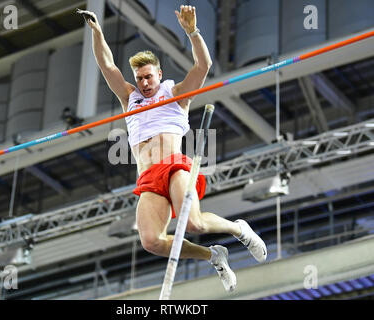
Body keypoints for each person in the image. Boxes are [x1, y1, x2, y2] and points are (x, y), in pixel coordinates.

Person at [81, 5, 267, 292]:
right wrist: (97, 31)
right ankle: (214, 255)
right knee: (152, 242)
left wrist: (192, 32)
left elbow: (203, 66)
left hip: (174, 166)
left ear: (159, 74)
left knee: (194, 224)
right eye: (139, 78)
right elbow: (107, 65)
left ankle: (239, 229)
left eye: (148, 77)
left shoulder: (176, 94)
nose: (144, 83)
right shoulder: (129, 98)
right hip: (147, 177)